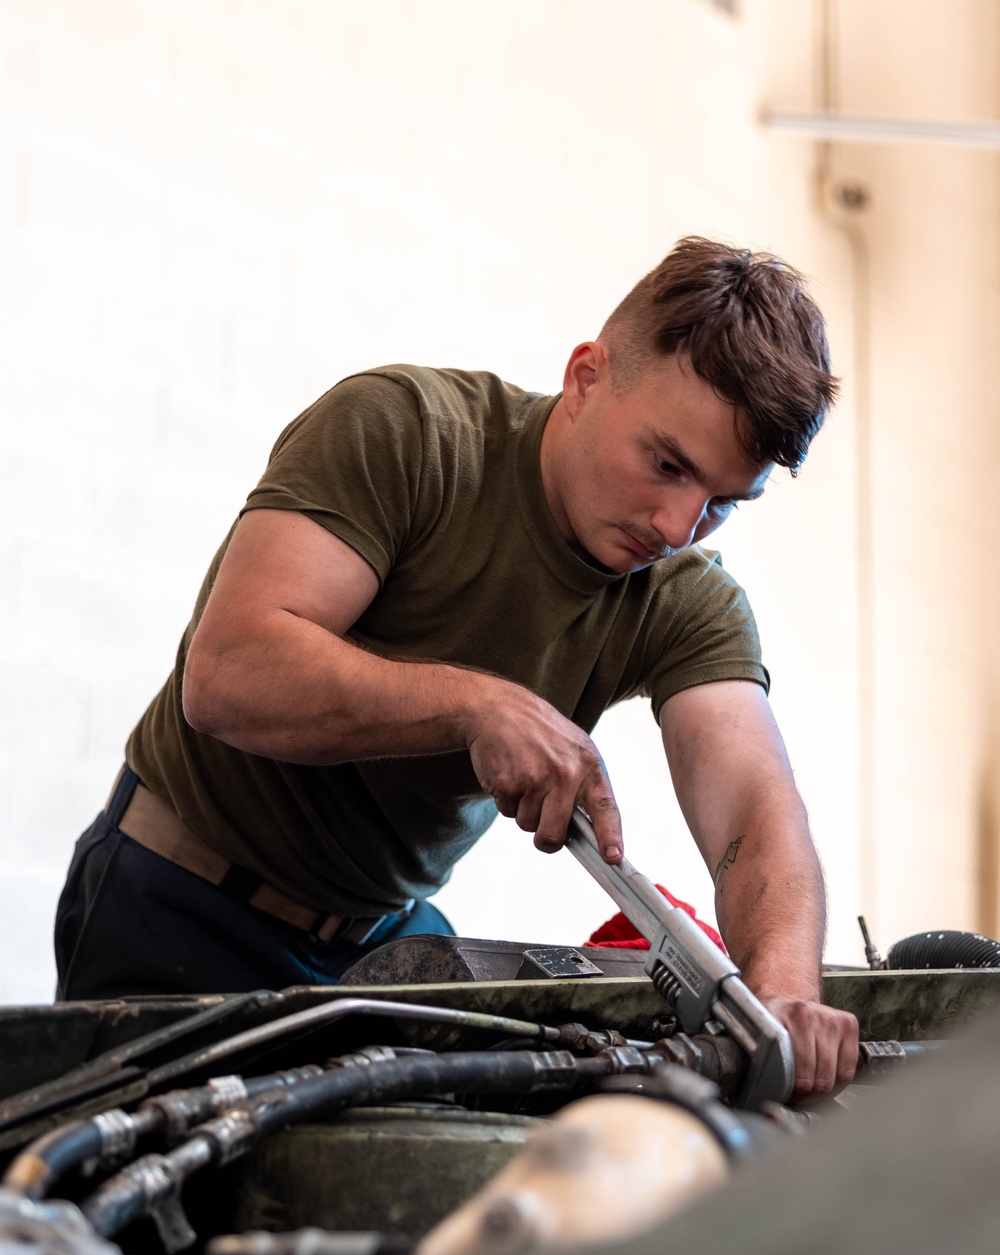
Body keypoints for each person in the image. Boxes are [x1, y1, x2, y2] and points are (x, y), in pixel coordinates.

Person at [54, 236, 859, 1095]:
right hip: (180, 898)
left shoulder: (685, 594)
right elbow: (228, 673)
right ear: (586, 377)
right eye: (665, 464)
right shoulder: (406, 432)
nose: (675, 525)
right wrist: (476, 706)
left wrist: (782, 998)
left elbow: (752, 804)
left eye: (722, 504)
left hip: (382, 945)